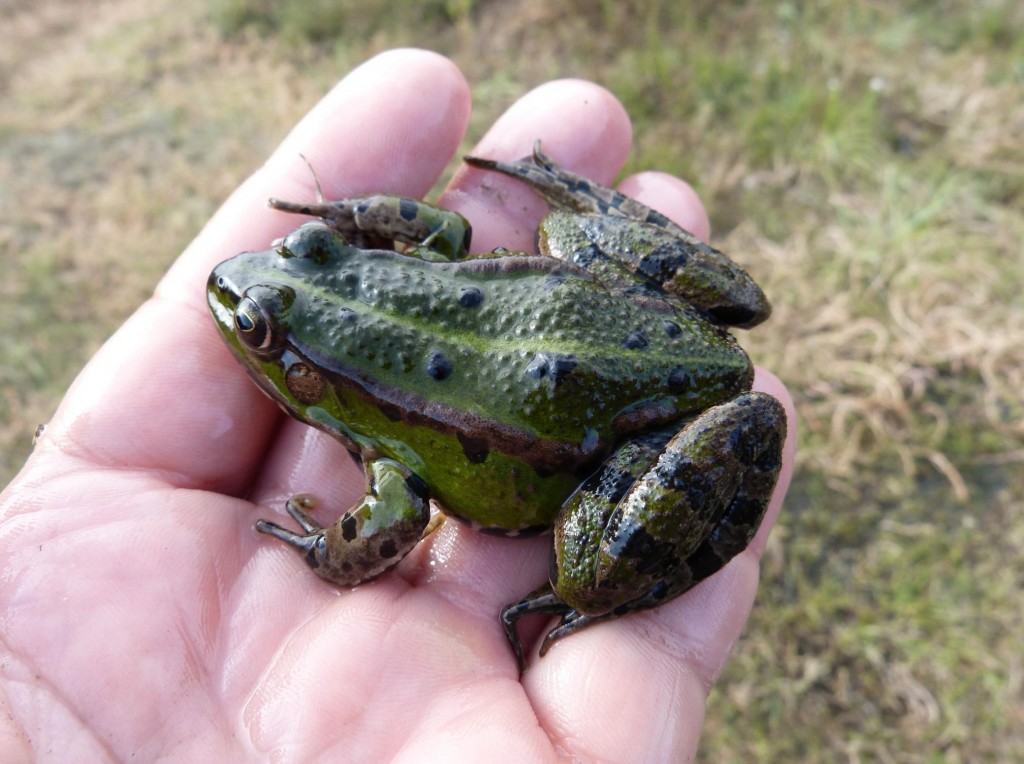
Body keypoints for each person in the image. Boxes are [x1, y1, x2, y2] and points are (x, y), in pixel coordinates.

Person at [0, 49, 794, 761]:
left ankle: (609, 583)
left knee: (586, 570)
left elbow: (393, 520)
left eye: (310, 252)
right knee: (565, 232)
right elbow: (443, 229)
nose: (265, 264)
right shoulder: (423, 260)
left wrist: (322, 552)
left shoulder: (375, 435)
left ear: (306, 377)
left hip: (627, 425)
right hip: (630, 326)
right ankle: (588, 216)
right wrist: (354, 221)